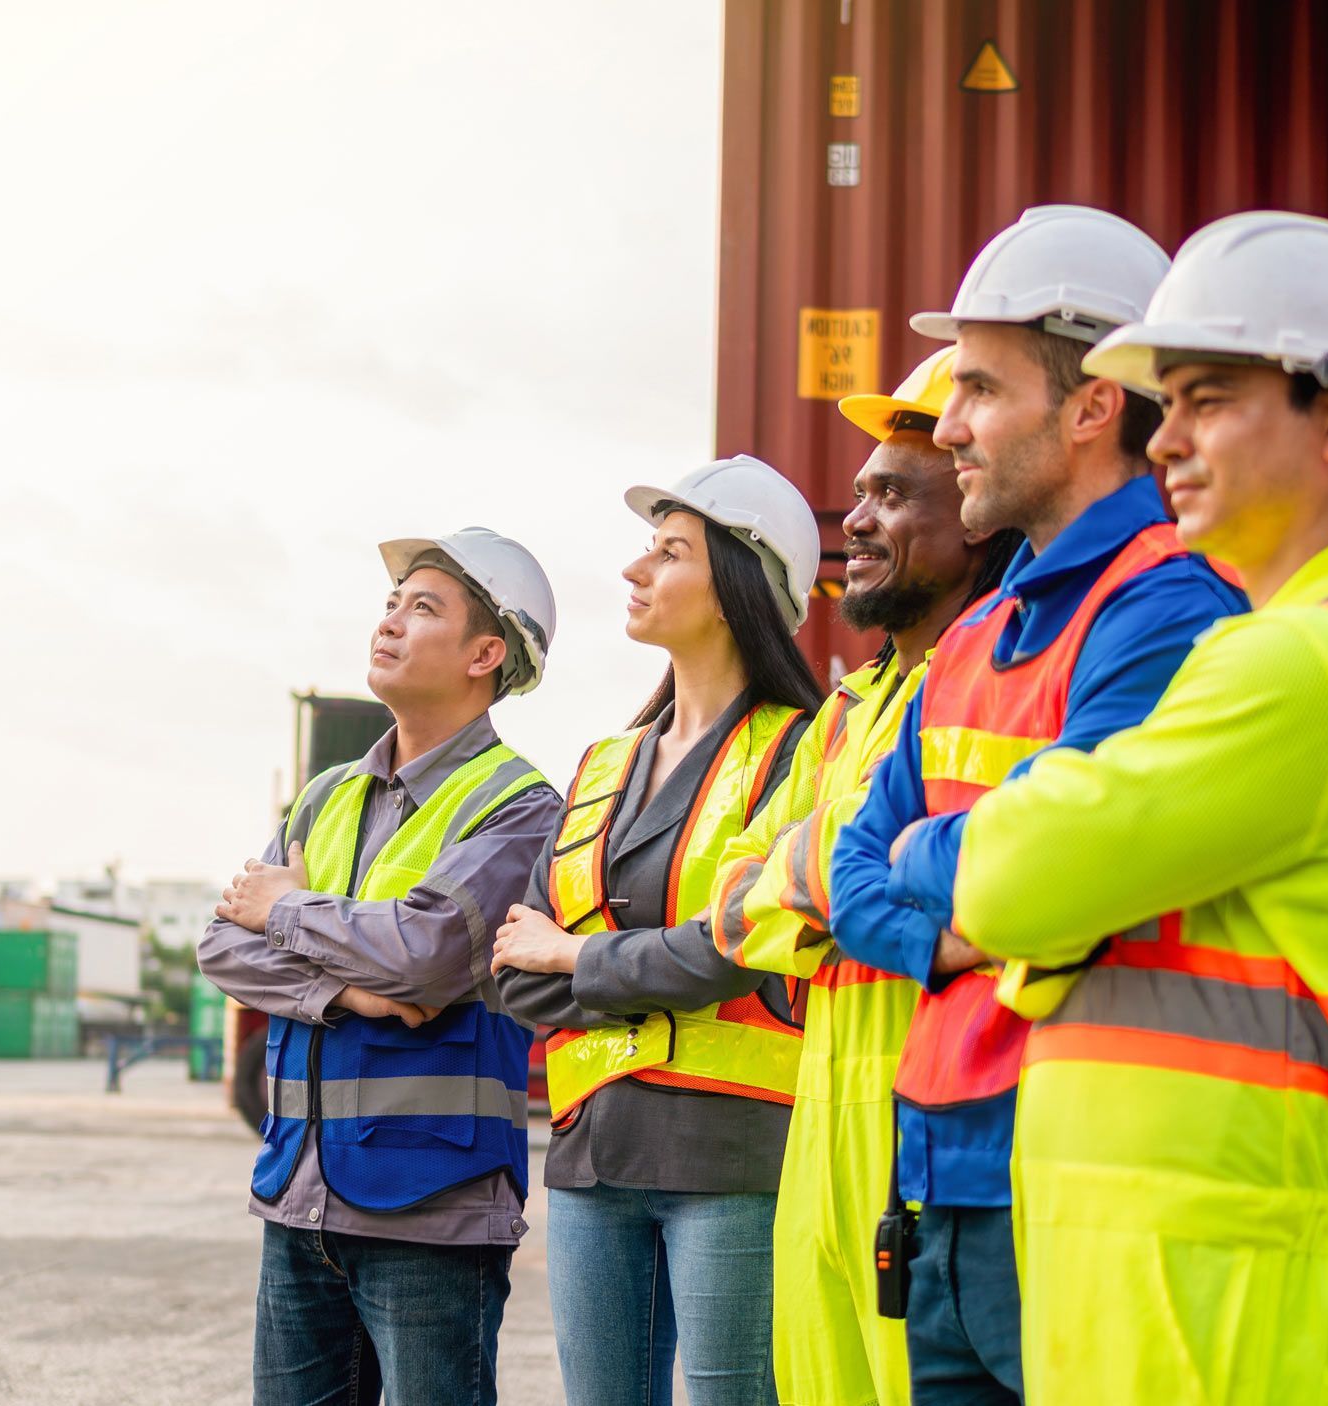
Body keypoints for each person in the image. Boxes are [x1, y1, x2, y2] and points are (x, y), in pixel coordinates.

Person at [925, 212, 1328, 1405]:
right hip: (1196, 1294)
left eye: (1208, 397)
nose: (1169, 441)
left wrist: (1012, 869)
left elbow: (1003, 879)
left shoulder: (1306, 665)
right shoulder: (1327, 649)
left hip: (1222, 1314)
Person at [827, 205, 1248, 1404]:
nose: (947, 427)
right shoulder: (976, 634)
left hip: (1077, 1175)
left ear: (1092, 405)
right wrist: (940, 912)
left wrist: (924, 864)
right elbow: (852, 872)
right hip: (943, 1174)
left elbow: (1062, 884)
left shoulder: (1169, 611)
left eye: (977, 389)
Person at [708, 346, 1022, 1406]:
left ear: (976, 512)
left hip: (931, 1133)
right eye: (857, 493)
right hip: (822, 1139)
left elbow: (971, 879)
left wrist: (813, 883)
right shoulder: (845, 711)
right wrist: (847, 882)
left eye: (892, 494)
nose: (857, 519)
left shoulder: (997, 682)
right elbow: (732, 903)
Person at [198, 527, 560, 1406]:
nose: (390, 622)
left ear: (487, 653)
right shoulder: (327, 796)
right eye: (390, 604)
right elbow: (220, 944)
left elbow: (427, 953)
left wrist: (286, 909)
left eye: (423, 607)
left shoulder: (519, 806)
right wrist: (342, 989)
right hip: (299, 1194)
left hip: (430, 1210)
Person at [492, 455, 825, 1406]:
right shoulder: (604, 762)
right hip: (595, 1153)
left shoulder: (804, 751)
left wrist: (581, 957)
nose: (637, 572)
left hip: (733, 1155)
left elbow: (739, 949)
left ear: (734, 586)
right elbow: (515, 968)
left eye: (669, 552)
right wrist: (610, 963)